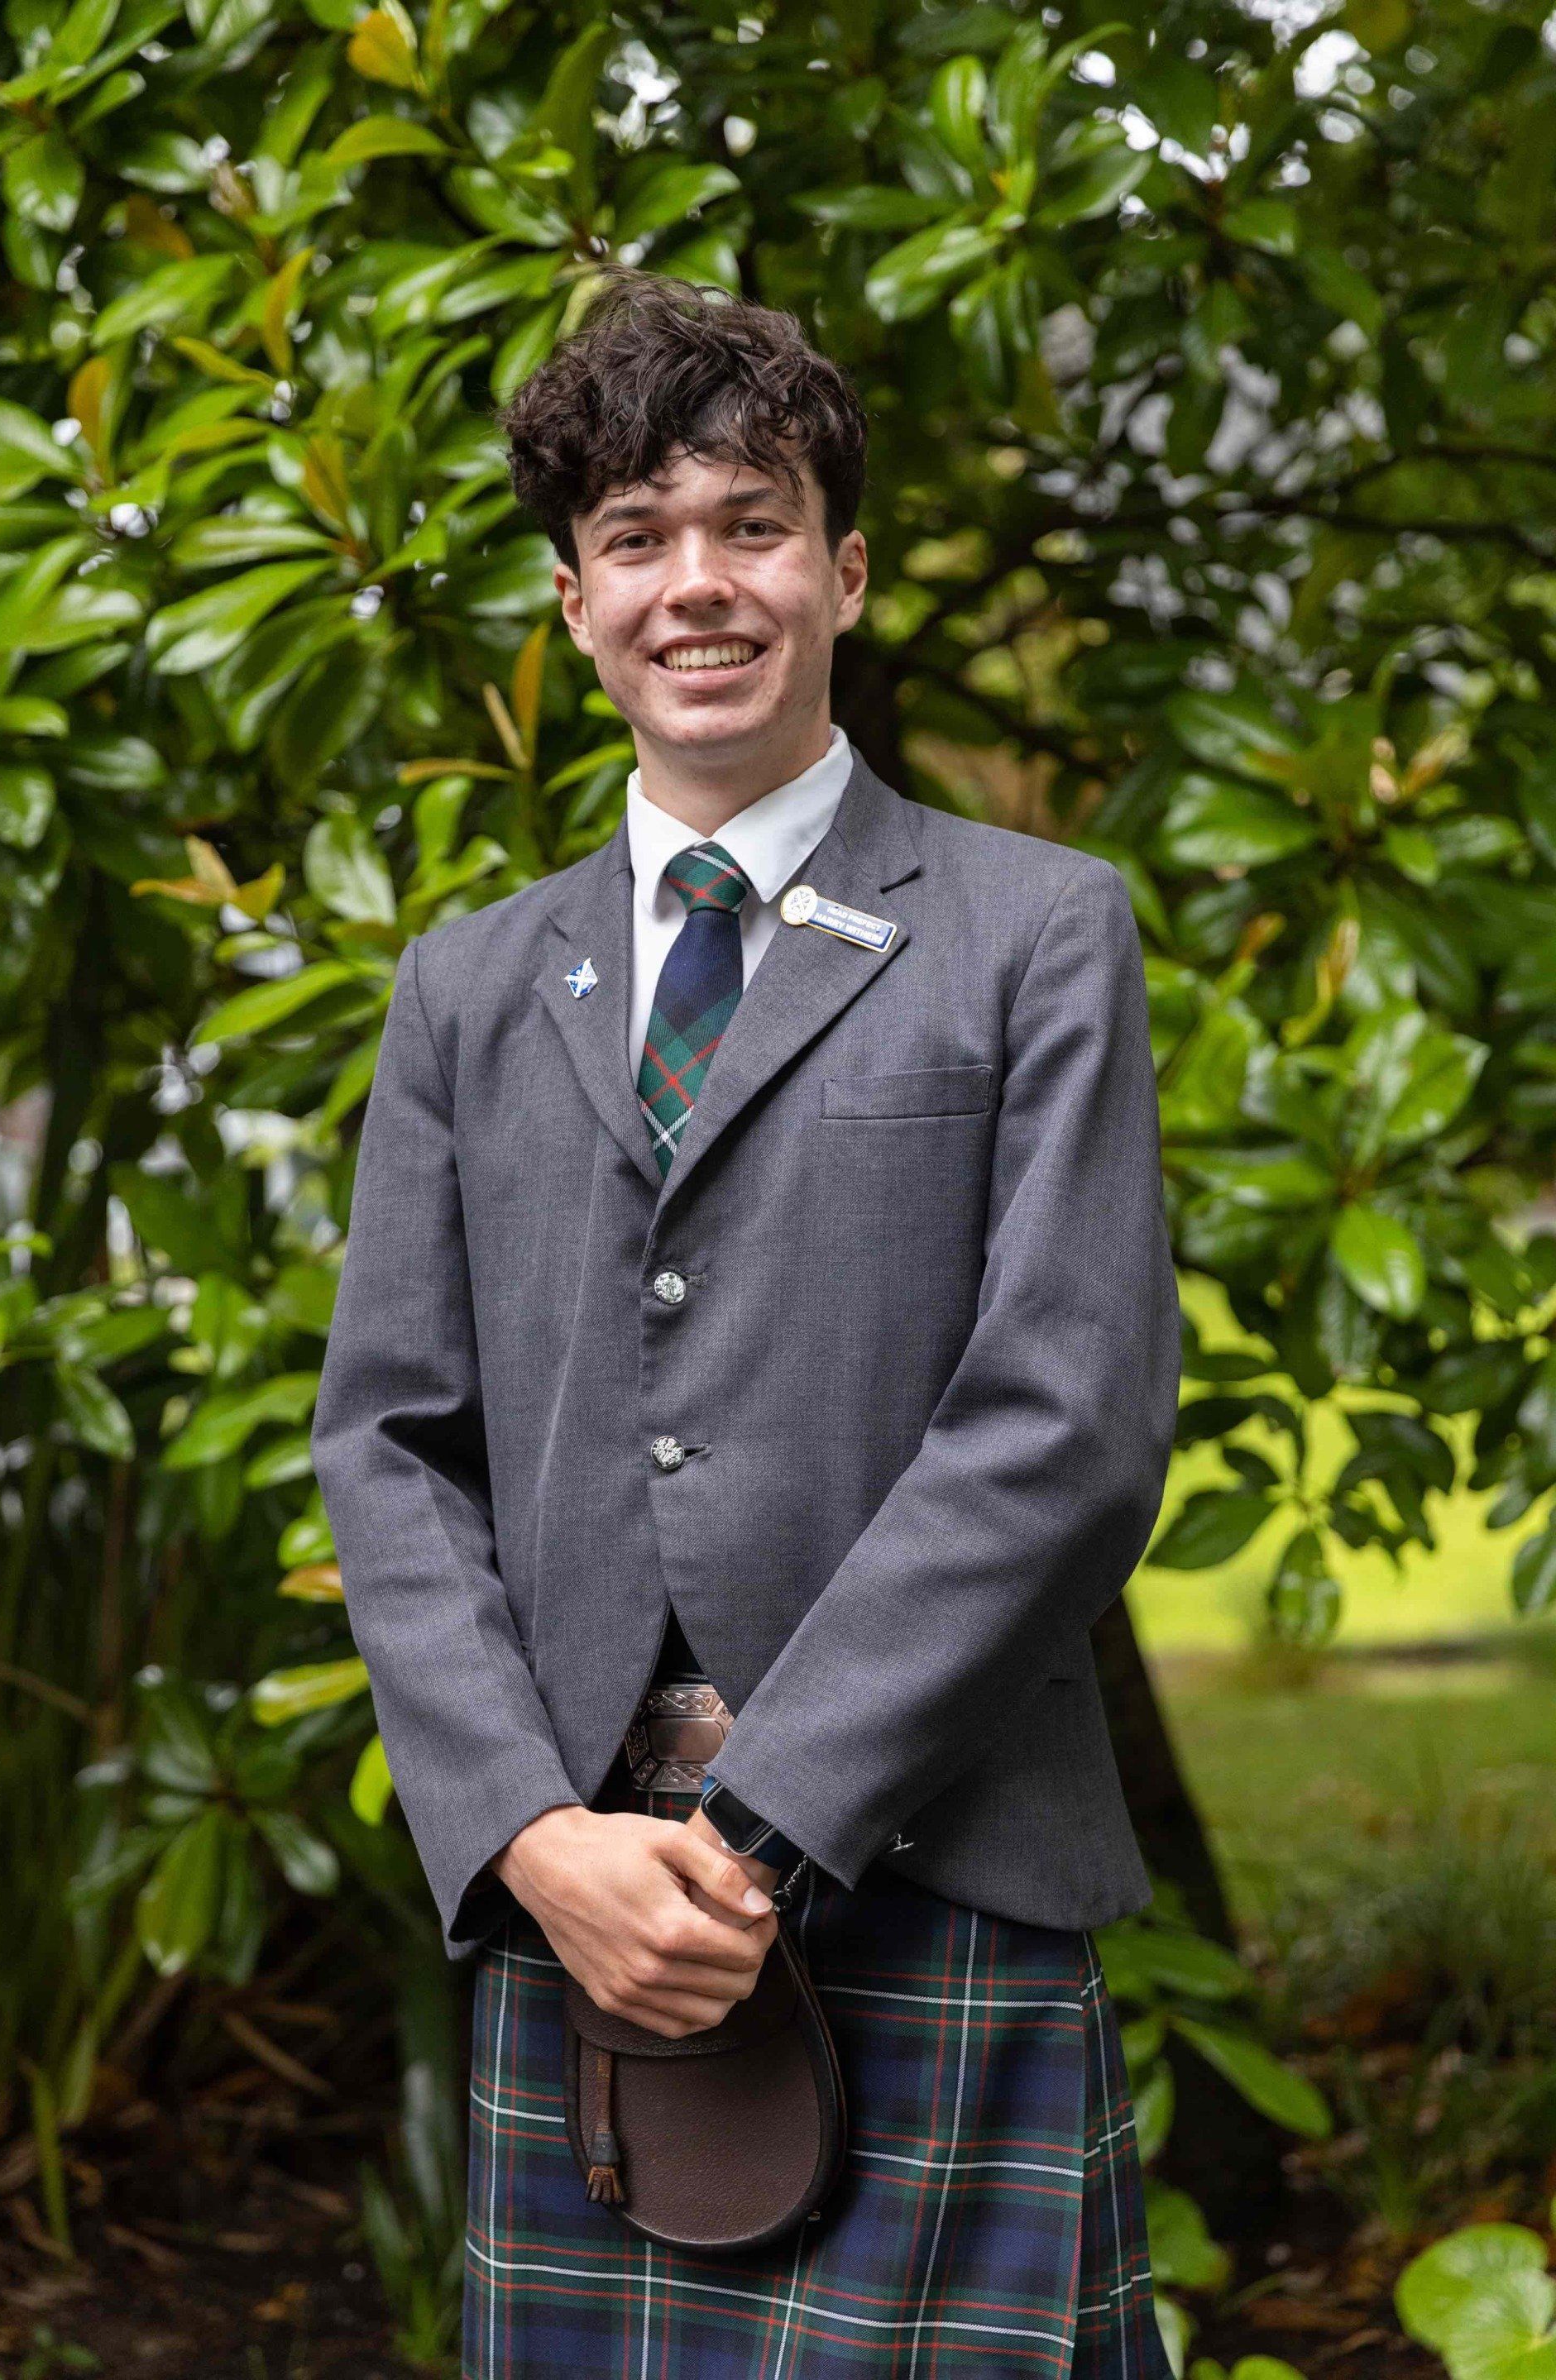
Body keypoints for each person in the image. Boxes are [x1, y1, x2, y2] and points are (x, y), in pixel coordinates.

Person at [311, 268, 1182, 2378]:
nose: (698, 585)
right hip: (581, 1905)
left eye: (752, 522)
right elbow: (391, 1442)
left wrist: (758, 1828)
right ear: (573, 599)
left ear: (845, 569)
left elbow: (1066, 1417)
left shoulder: (1034, 932)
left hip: (927, 1863)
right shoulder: (467, 986)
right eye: (636, 536)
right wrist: (531, 1834)